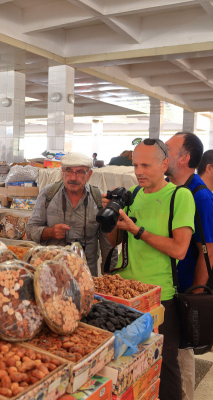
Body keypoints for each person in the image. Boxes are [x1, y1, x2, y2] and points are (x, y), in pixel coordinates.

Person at [105, 138, 195, 400]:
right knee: (127, 364)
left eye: (146, 164)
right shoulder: (132, 196)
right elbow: (115, 241)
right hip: (125, 294)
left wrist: (137, 230)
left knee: (164, 366)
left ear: (164, 164)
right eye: (135, 165)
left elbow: (179, 249)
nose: (138, 171)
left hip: (159, 296)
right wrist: (111, 217)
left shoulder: (180, 196)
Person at [165, 132, 213, 400]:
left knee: (182, 355)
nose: (163, 151)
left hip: (184, 291)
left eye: (168, 148)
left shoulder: (201, 197)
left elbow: (208, 251)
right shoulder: (169, 190)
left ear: (183, 159)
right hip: (165, 287)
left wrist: (193, 296)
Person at [26, 152, 117, 276]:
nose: (73, 178)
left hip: (86, 274)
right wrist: (50, 232)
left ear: (89, 175)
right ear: (62, 173)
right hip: (52, 273)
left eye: (80, 172)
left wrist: (109, 279)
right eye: (69, 171)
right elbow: (30, 230)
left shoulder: (98, 199)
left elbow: (108, 246)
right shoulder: (48, 194)